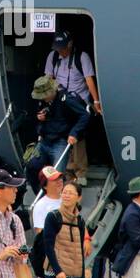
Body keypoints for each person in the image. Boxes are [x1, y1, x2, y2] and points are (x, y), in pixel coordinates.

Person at [44, 31, 101, 182]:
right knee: (62, 132)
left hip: (78, 100)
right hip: (60, 100)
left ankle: (81, 171)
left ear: (70, 44)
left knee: (78, 136)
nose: (60, 51)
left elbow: (89, 79)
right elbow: (48, 79)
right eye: (57, 48)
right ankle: (68, 170)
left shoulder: (82, 57)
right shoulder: (53, 56)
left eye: (62, 47)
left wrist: (95, 101)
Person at [28, 166, 66, 278]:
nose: (60, 182)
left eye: (60, 178)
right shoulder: (41, 206)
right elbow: (42, 234)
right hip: (49, 259)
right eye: (55, 180)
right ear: (45, 185)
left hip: (67, 258)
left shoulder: (66, 202)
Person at [29, 75, 89, 186]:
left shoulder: (67, 99)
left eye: (44, 96)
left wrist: (74, 133)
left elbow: (84, 115)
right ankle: (42, 194)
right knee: (32, 166)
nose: (43, 98)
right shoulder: (43, 102)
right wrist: (41, 118)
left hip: (60, 141)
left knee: (57, 174)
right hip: (44, 141)